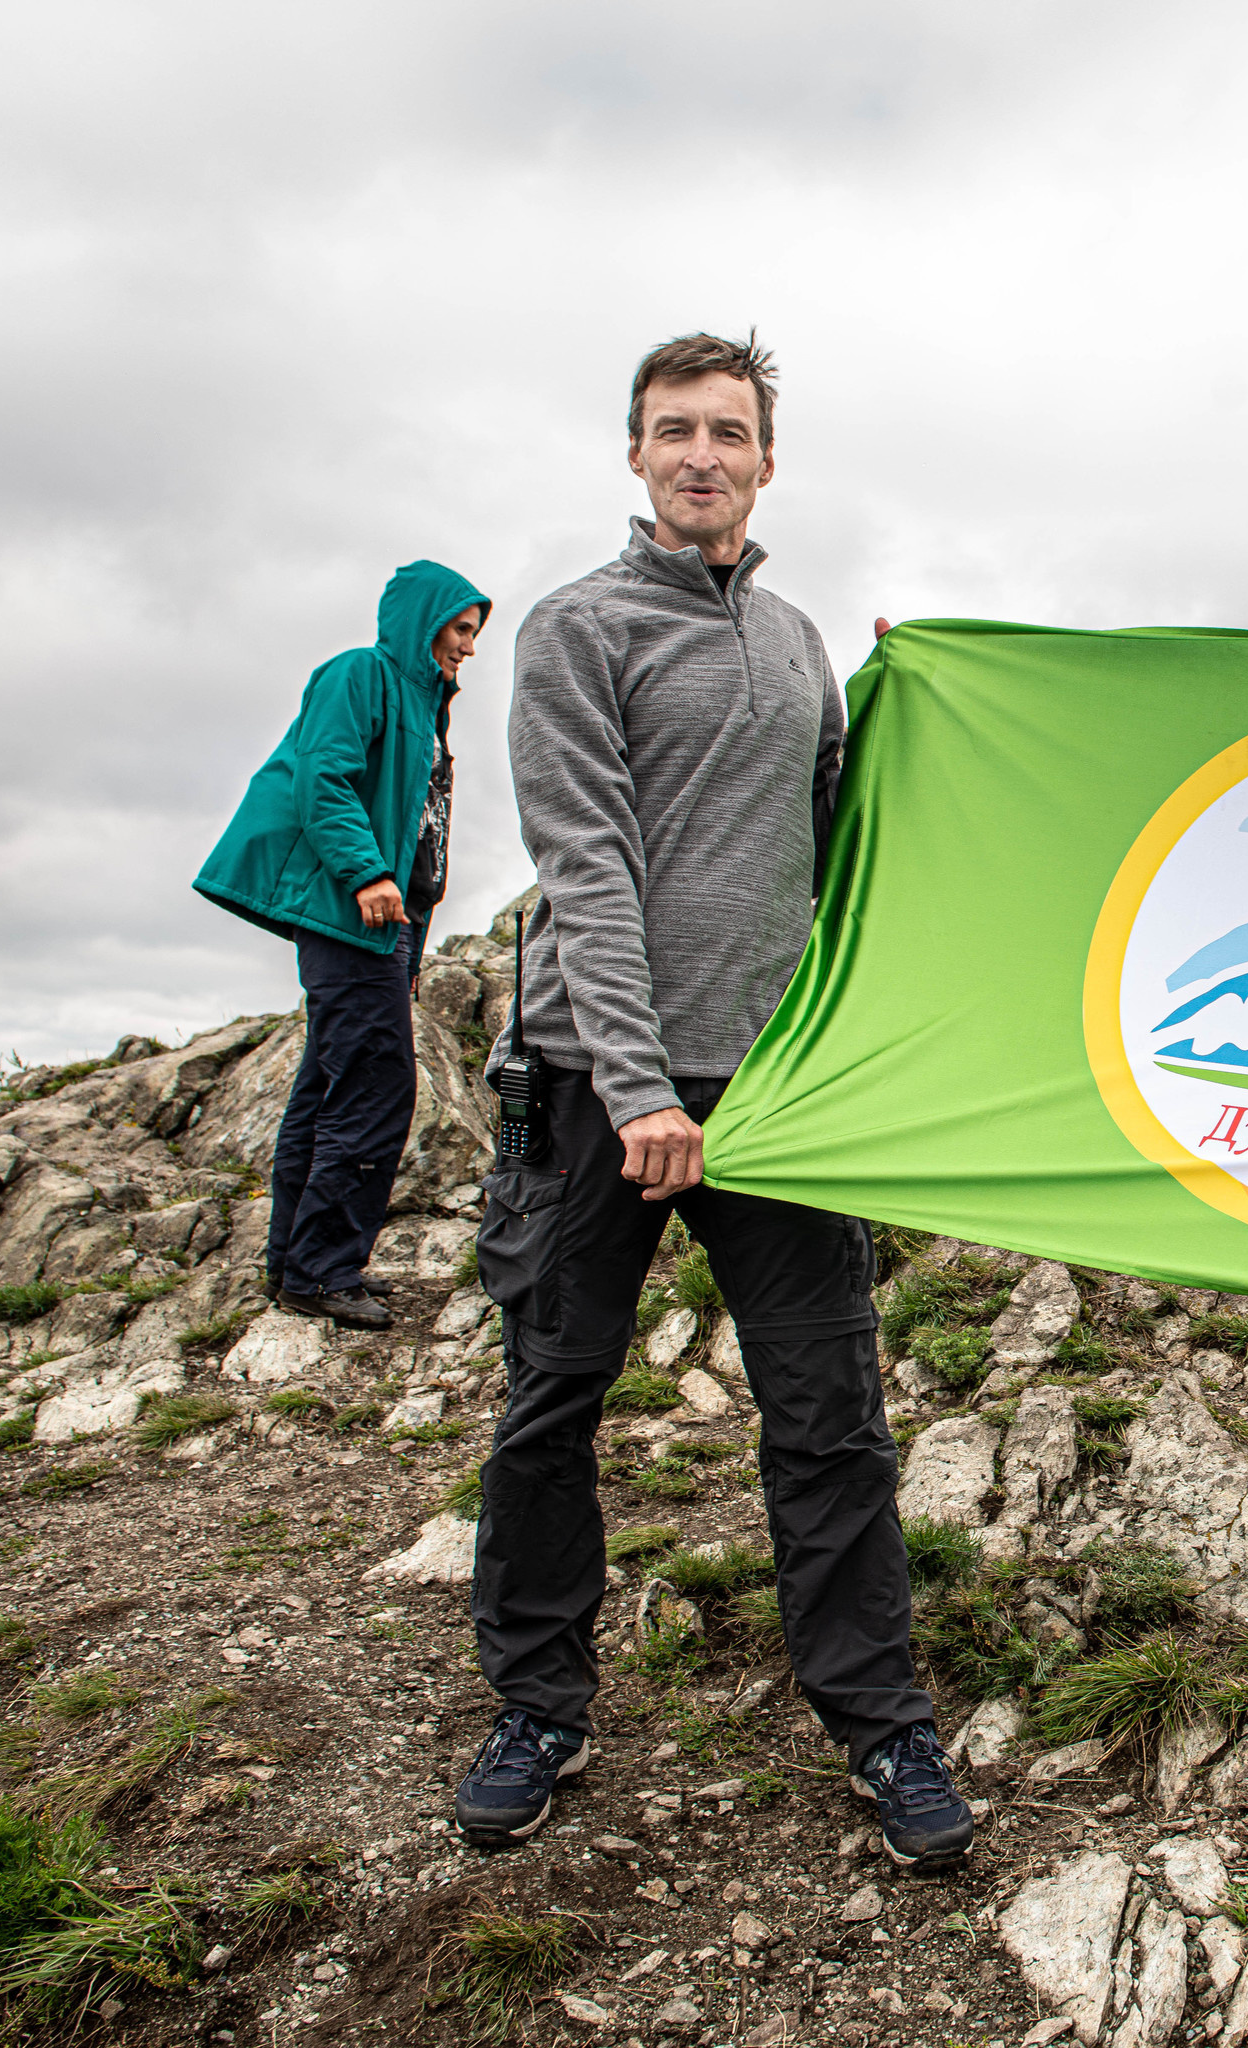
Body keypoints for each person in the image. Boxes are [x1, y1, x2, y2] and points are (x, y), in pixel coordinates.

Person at [454, 332, 972, 1868]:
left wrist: (908, 710)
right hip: (591, 1086)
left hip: (775, 1096)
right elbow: (587, 868)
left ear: (764, 458)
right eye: (672, 431)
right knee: (553, 1403)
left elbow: (833, 836)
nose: (701, 455)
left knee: (832, 1425)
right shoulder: (574, 630)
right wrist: (635, 1087)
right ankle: (537, 1706)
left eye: (727, 431)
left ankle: (881, 1725)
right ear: (634, 456)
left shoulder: (799, 639)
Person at [195, 563, 491, 1332]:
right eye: (459, 629)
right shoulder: (361, 674)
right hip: (350, 916)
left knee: (329, 1089)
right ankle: (325, 1271)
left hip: (382, 929)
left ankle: (297, 1265)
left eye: (472, 634)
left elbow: (415, 831)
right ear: (423, 622)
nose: (467, 647)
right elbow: (322, 778)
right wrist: (364, 874)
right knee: (374, 1088)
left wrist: (410, 949)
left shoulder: (426, 706)